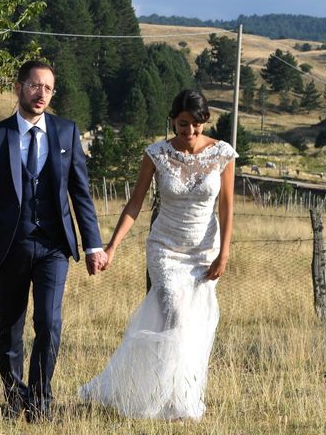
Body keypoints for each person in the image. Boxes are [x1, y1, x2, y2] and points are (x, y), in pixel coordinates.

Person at [80, 89, 237, 420]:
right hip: (165, 248)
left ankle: (180, 395)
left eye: (195, 125)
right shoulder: (157, 153)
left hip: (203, 252)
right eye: (182, 125)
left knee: (197, 323)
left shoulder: (222, 154)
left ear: (204, 121)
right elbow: (135, 203)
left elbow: (226, 206)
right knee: (174, 311)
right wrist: (111, 247)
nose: (189, 132)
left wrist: (224, 252)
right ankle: (159, 397)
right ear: (173, 122)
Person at [0, 60, 107, 422]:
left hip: (54, 247)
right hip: (9, 247)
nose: (40, 93)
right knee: (10, 325)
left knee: (49, 322)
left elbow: (80, 193)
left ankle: (41, 401)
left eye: (47, 88)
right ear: (18, 88)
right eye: (34, 85)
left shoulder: (67, 132)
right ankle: (15, 399)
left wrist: (93, 245)